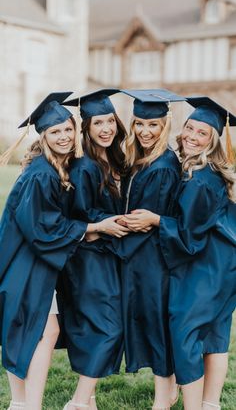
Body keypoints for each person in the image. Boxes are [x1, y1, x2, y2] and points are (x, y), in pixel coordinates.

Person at [0, 92, 110, 410]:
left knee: (37, 331)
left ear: (75, 130)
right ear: (44, 137)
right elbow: (43, 229)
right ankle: (25, 404)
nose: (62, 136)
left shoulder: (53, 168)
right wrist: (93, 228)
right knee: (40, 331)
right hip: (25, 263)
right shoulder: (41, 175)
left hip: (31, 262)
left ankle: (22, 404)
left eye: (66, 129)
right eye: (54, 131)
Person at [142, 96, 236, 410]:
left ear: (214, 141)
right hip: (224, 267)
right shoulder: (211, 171)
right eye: (189, 128)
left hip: (207, 269)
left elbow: (187, 236)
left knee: (184, 332)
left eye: (202, 133)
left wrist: (155, 220)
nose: (192, 137)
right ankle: (210, 405)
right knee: (215, 337)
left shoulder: (201, 181)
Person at [110, 89, 185, 410]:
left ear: (165, 126)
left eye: (153, 125)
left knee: (156, 326)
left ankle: (162, 400)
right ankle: (168, 392)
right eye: (139, 123)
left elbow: (147, 219)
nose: (145, 131)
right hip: (141, 258)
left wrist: (111, 228)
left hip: (153, 260)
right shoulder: (141, 160)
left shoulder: (164, 165)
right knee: (151, 324)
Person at [60, 89, 129, 410]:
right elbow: (80, 215)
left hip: (106, 256)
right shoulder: (85, 166)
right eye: (98, 122)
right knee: (109, 328)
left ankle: (88, 399)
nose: (106, 128)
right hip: (88, 259)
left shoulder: (112, 159)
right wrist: (115, 221)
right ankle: (77, 402)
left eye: (110, 121)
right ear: (85, 127)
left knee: (103, 327)